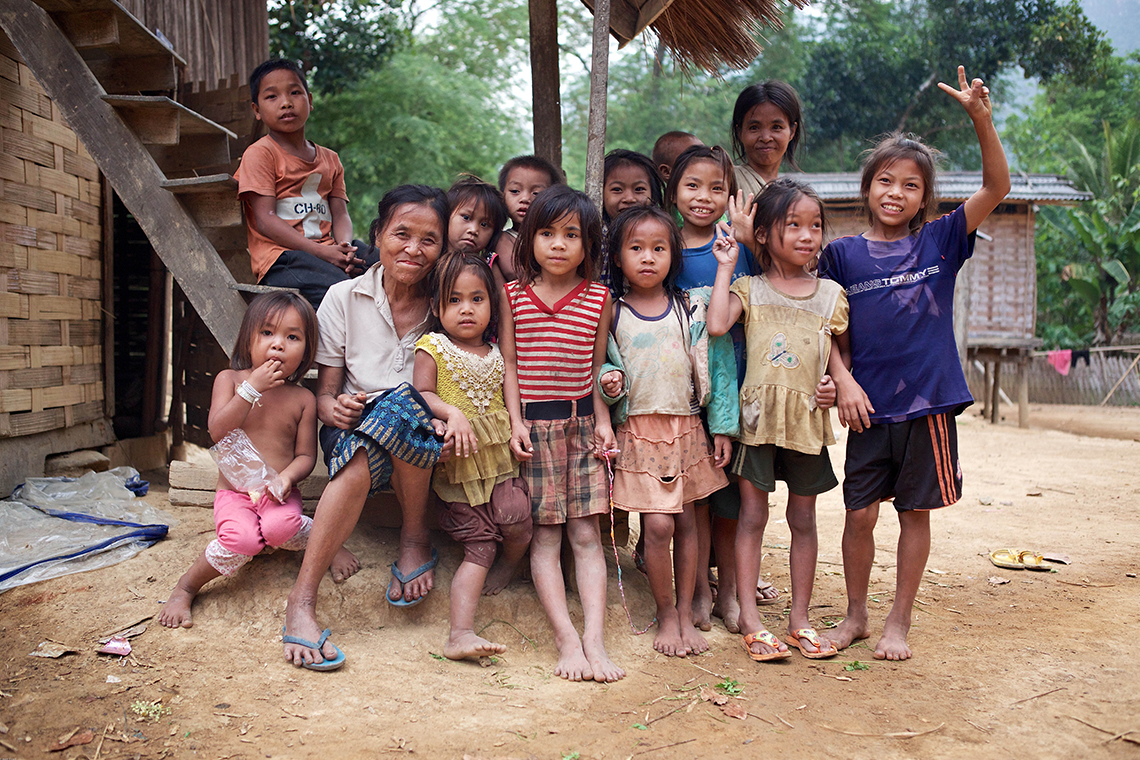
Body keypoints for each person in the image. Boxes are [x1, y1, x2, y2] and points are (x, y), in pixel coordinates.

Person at [822, 66, 1011, 661]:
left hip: (928, 403)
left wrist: (981, 120)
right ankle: (856, 615)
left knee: (914, 515)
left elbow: (997, 187)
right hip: (867, 407)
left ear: (923, 198)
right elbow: (824, 325)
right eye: (885, 180)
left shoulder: (941, 240)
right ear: (867, 187)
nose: (895, 192)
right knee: (858, 515)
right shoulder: (840, 255)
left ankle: (898, 621)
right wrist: (842, 380)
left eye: (909, 185)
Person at [282, 185, 453, 670]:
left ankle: (412, 537)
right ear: (378, 235)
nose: (413, 249)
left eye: (429, 240)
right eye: (402, 234)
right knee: (363, 448)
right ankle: (303, 600)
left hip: (419, 427)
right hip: (354, 428)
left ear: (442, 248)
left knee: (402, 407)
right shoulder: (343, 296)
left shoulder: (445, 303)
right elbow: (326, 392)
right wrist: (331, 408)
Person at [707, 179, 847, 661]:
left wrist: (834, 387)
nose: (808, 235)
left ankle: (800, 619)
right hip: (757, 421)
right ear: (764, 234)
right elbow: (717, 324)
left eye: (815, 226)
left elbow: (838, 361)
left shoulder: (831, 295)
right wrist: (726, 265)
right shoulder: (751, 288)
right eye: (794, 225)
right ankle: (750, 617)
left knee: (803, 518)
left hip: (807, 419)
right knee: (752, 516)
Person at [499, 185, 624, 682]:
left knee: (587, 534)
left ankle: (595, 639)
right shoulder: (512, 295)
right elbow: (510, 363)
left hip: (583, 427)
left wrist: (605, 422)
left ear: (588, 244)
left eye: (571, 235)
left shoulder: (599, 298)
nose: (558, 244)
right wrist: (515, 423)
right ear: (529, 238)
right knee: (547, 535)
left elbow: (597, 368)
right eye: (547, 233)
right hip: (535, 429)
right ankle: (565, 639)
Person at [598, 206, 730, 657]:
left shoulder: (688, 306)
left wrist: (722, 427)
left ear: (674, 256)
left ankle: (690, 608)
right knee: (657, 526)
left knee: (689, 521)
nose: (648, 257)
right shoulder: (611, 312)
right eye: (636, 248)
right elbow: (599, 366)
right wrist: (609, 381)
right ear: (618, 258)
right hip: (638, 432)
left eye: (659, 248)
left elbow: (716, 367)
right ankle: (666, 612)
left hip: (686, 427)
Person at [158, 294, 324, 636]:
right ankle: (186, 587)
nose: (278, 344)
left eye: (293, 337)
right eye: (267, 333)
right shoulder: (230, 380)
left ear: (307, 351)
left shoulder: (303, 399)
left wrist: (286, 478)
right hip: (235, 495)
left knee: (280, 528)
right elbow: (218, 431)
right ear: (248, 338)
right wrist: (251, 389)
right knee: (243, 541)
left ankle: (328, 543)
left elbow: (306, 456)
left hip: (278, 494)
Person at [413, 253, 532, 661]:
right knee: (479, 545)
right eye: (455, 300)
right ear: (436, 307)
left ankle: (510, 564)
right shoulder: (433, 347)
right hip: (461, 468)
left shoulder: (496, 352)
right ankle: (459, 633)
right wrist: (452, 412)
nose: (467, 309)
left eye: (477, 299)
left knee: (517, 518)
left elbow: (510, 389)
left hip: (498, 462)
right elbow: (422, 394)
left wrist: (517, 424)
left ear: (491, 307)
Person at [665, 144, 757, 632]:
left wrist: (747, 237)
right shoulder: (663, 247)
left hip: (738, 387)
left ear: (730, 195)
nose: (703, 197)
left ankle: (732, 594)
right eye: (692, 186)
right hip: (683, 393)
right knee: (694, 498)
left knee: (733, 498)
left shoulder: (737, 247)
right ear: (673, 191)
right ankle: (699, 588)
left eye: (716, 188)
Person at [235, 59, 375, 311]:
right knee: (345, 290)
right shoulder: (260, 154)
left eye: (295, 92)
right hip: (283, 259)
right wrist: (323, 253)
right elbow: (266, 219)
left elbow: (340, 214)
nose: (286, 103)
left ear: (309, 101)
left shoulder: (330, 159)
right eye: (272, 96)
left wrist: (344, 248)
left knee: (382, 263)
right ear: (257, 110)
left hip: (328, 252)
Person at [492, 155, 564, 288]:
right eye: (515, 191)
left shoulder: (558, 240)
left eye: (536, 193)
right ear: (502, 196)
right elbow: (516, 272)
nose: (525, 198)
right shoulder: (502, 239)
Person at [730, 81, 804, 201]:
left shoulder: (794, 197)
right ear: (740, 132)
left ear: (792, 131)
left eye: (776, 127)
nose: (765, 138)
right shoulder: (724, 181)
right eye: (754, 128)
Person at [446, 176, 509, 258]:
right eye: (466, 218)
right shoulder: (430, 260)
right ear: (447, 215)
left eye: (484, 224)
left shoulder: (489, 266)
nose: (474, 230)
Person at [602, 149, 663, 224]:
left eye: (639, 189)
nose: (629, 199)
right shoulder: (592, 231)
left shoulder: (662, 230)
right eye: (617, 189)